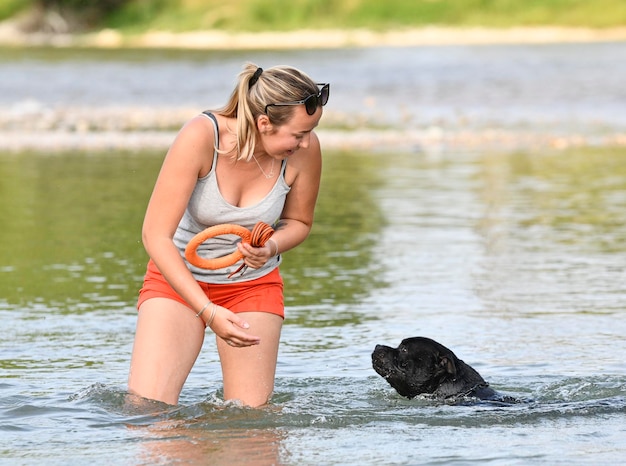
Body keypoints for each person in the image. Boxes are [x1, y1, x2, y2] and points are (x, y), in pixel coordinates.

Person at [128, 63, 329, 407]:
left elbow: (299, 221)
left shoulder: (304, 153)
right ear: (264, 123)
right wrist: (207, 310)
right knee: (147, 413)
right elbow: (155, 235)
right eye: (298, 134)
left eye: (311, 132)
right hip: (177, 280)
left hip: (253, 285)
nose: (307, 142)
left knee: (253, 426)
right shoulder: (201, 137)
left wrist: (271, 247)